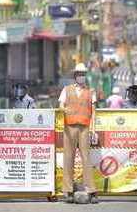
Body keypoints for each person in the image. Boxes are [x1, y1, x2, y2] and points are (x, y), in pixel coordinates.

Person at [58, 63, 98, 204]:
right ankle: (67, 191)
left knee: (86, 158)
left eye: (83, 74)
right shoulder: (66, 90)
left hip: (85, 127)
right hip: (70, 127)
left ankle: (91, 191)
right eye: (79, 74)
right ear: (75, 76)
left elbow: (94, 112)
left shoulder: (90, 91)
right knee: (68, 158)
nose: (81, 76)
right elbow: (61, 104)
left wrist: (94, 130)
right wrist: (64, 109)